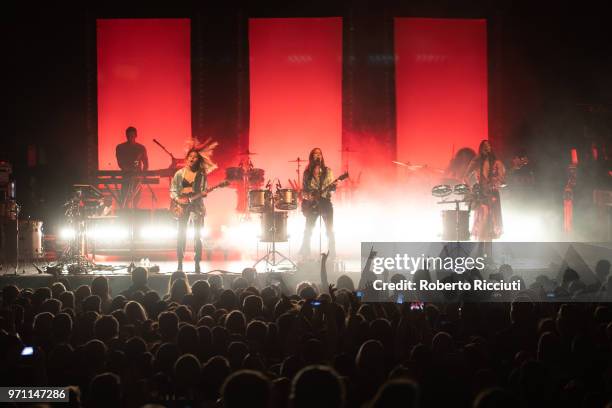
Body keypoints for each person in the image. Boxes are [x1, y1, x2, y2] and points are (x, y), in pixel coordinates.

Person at [170, 146, 216, 273]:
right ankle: (180, 262)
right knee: (181, 235)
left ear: (198, 160)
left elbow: (203, 190)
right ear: (186, 158)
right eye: (190, 156)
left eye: (195, 157)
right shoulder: (179, 174)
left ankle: (197, 262)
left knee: (198, 235)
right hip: (182, 207)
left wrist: (204, 193)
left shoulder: (201, 175)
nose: (192, 158)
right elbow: (173, 190)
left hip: (196, 206)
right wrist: (178, 200)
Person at [464, 140, 505, 250]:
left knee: (492, 220)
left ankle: (488, 252)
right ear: (481, 148)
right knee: (483, 217)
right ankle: (480, 250)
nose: (487, 148)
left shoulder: (496, 162)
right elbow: (466, 176)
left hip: (493, 194)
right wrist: (471, 190)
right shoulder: (477, 160)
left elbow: (503, 179)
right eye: (485, 146)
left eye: (489, 146)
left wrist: (498, 182)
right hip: (481, 193)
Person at [300, 148, 337, 258]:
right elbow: (303, 191)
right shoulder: (307, 173)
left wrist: (334, 187)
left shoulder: (328, 171)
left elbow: (333, 190)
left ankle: (332, 253)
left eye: (319, 153)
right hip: (312, 204)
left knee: (329, 229)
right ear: (311, 157)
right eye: (315, 154)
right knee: (308, 229)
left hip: (325, 203)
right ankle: (305, 253)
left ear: (322, 156)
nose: (318, 155)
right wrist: (309, 196)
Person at [115, 126, 148, 208]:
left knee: (136, 202)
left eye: (132, 136)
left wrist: (142, 176)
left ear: (136, 135)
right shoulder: (120, 147)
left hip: (137, 179)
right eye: (128, 136)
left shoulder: (141, 148)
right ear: (126, 136)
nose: (130, 138)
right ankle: (127, 216)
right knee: (125, 202)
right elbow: (120, 163)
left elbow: (146, 164)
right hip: (126, 178)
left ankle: (134, 217)